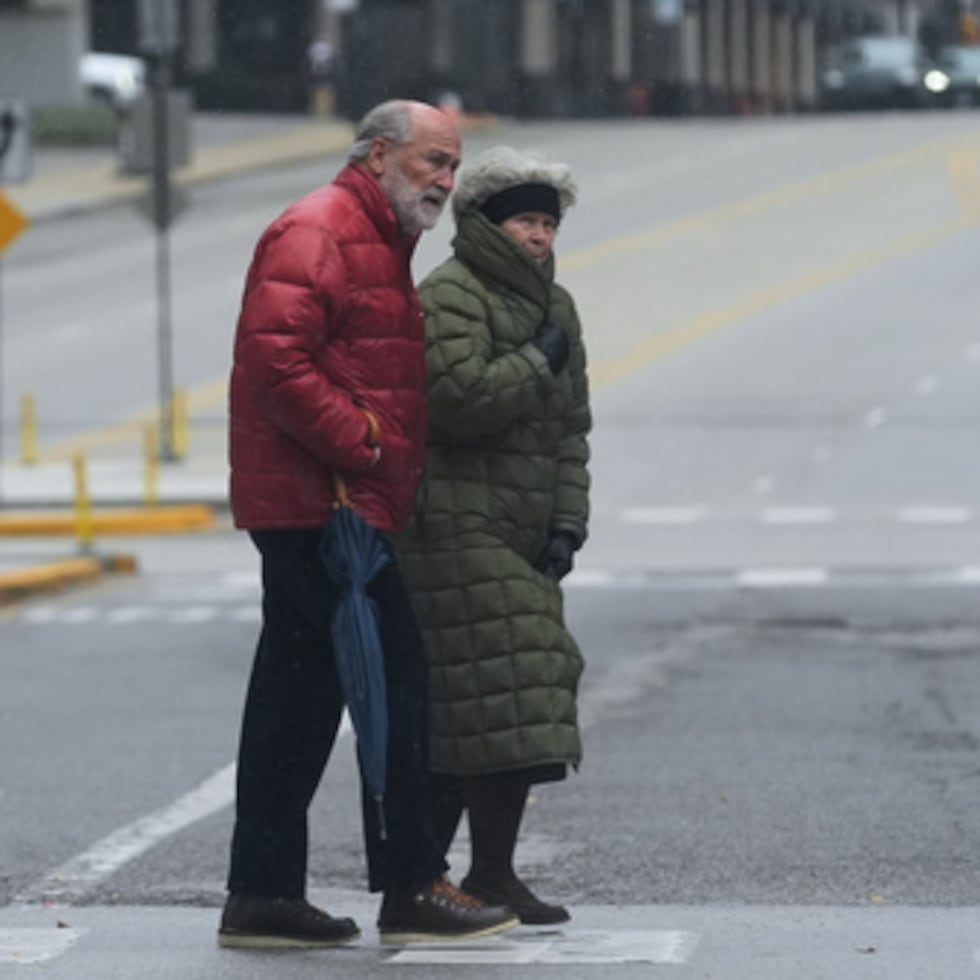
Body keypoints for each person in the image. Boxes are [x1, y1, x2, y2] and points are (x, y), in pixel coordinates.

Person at [220, 101, 519, 949]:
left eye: (453, 167)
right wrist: (363, 439)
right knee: (395, 686)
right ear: (380, 153)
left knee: (296, 701)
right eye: (433, 163)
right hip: (327, 507)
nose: (446, 182)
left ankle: (263, 895)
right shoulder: (322, 227)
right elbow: (274, 356)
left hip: (327, 502)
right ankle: (413, 882)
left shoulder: (374, 234)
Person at [398, 145, 591, 925]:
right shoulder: (449, 296)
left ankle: (484, 874)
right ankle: (437, 877)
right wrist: (535, 361)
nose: (539, 237)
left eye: (547, 222)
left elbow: (571, 430)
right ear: (486, 224)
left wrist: (569, 520)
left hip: (522, 527)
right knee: (506, 684)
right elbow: (459, 399)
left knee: (501, 698)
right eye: (524, 221)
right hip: (451, 525)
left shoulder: (558, 305)